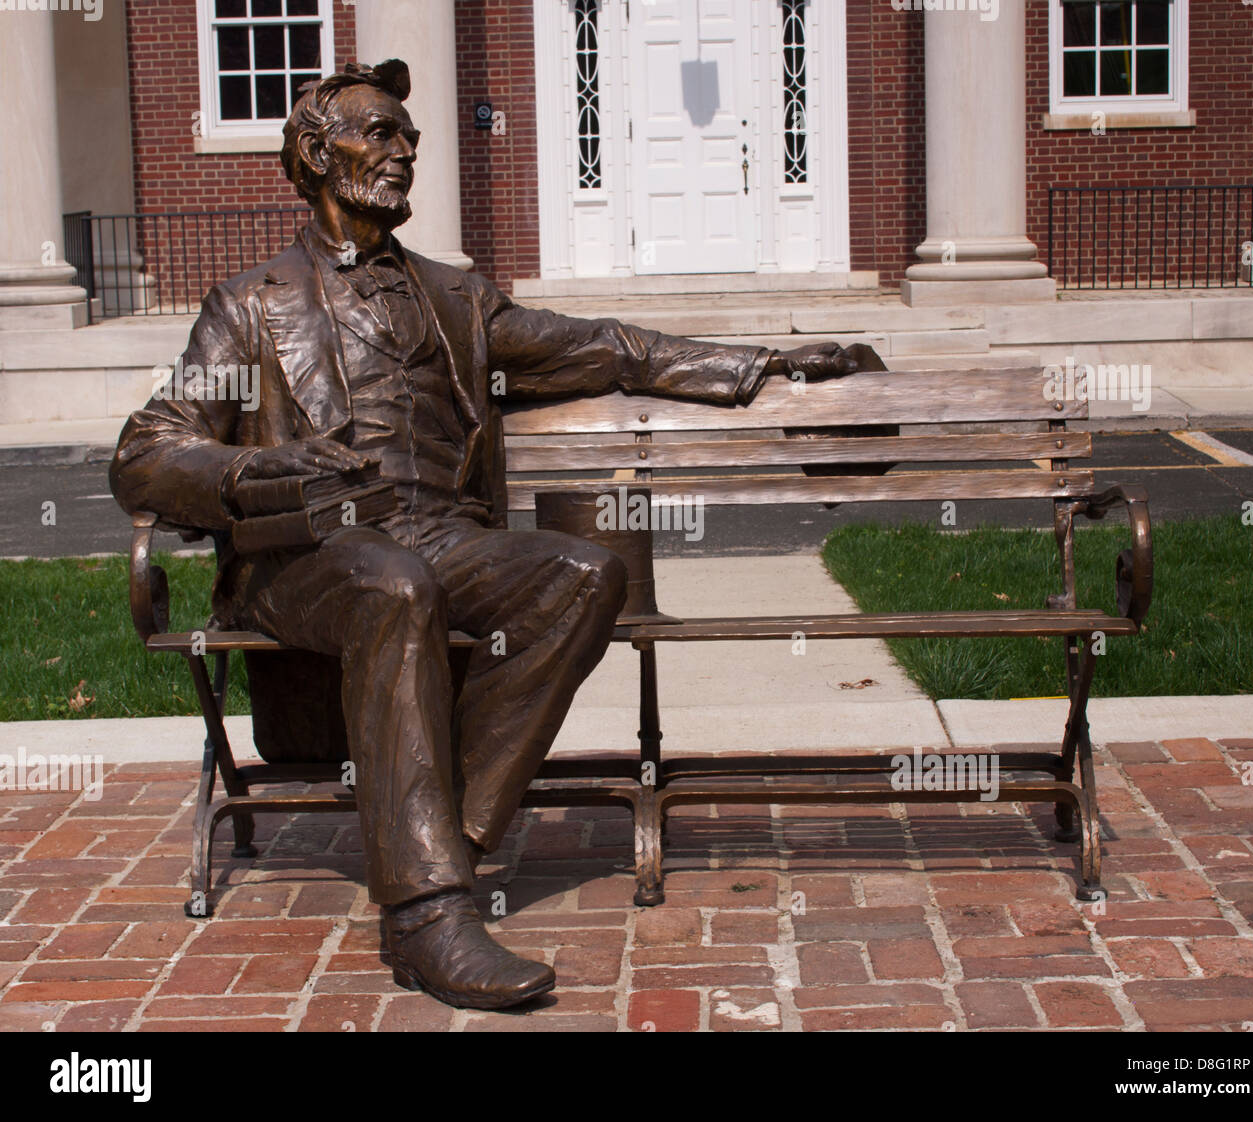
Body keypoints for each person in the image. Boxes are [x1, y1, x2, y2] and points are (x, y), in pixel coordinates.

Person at [110, 59, 881, 1010]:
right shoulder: (249, 307)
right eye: (379, 134)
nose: (402, 153)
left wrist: (761, 360)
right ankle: (427, 917)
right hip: (305, 555)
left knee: (581, 574)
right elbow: (146, 453)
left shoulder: (455, 296)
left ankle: (441, 842)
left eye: (409, 140)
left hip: (440, 535)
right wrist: (258, 467)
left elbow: (604, 346)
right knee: (393, 584)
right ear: (315, 152)